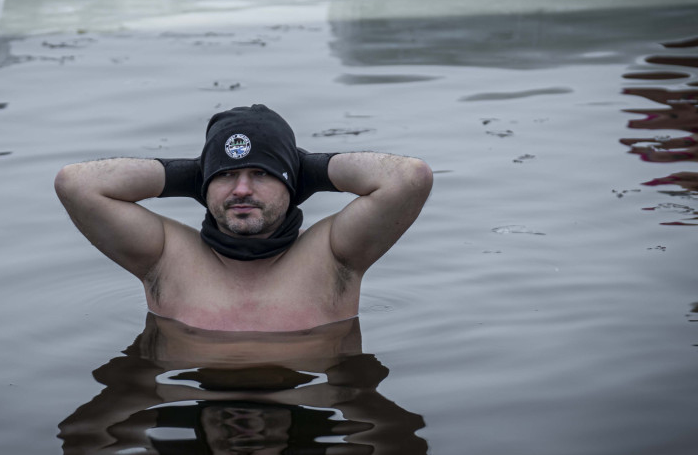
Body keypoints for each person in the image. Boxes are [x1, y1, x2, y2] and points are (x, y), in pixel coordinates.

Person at [54, 104, 432, 331]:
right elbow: (76, 183)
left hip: (304, 408)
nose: (241, 189)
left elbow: (409, 177)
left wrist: (306, 170)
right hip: (194, 401)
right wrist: (198, 175)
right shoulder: (164, 255)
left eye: (262, 173)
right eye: (226, 175)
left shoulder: (334, 254)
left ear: (293, 182)